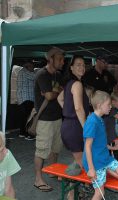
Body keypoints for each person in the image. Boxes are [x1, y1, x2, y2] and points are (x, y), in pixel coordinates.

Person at [82, 90, 118, 200]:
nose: (110, 107)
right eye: (108, 105)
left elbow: (99, 144)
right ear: (99, 105)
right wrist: (91, 169)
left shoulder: (100, 119)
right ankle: (102, 172)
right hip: (96, 162)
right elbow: (87, 147)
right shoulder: (92, 121)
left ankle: (106, 170)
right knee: (100, 193)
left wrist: (112, 148)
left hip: (105, 158)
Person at [33, 47, 64, 192]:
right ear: (50, 59)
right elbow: (49, 96)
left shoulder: (58, 75)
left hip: (57, 117)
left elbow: (58, 92)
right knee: (42, 150)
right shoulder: (42, 74)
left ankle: (53, 171)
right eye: (60, 59)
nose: (63, 62)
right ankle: (38, 180)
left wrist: (54, 92)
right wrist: (55, 92)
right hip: (45, 119)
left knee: (56, 148)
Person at [58, 55, 89, 169]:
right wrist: (86, 127)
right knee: (83, 162)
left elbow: (59, 99)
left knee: (80, 159)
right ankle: (85, 185)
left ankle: (75, 183)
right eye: (78, 65)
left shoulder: (70, 83)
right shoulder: (77, 84)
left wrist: (68, 111)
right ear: (71, 68)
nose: (82, 67)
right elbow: (78, 108)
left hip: (69, 124)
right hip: (75, 126)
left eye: (83, 65)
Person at [16, 61, 35, 140]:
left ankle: (22, 132)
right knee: (27, 117)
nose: (33, 69)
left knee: (24, 117)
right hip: (26, 98)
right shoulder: (24, 72)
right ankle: (27, 133)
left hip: (24, 98)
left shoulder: (22, 72)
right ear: (28, 66)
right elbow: (35, 77)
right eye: (32, 67)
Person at [0, 132, 21, 199]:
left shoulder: (7, 155)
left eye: (4, 146)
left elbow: (8, 189)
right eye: (2, 149)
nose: (6, 151)